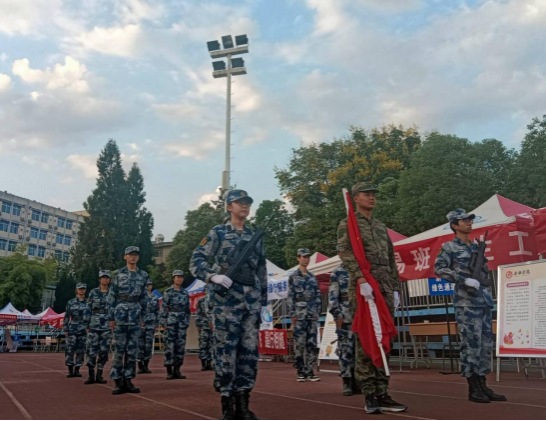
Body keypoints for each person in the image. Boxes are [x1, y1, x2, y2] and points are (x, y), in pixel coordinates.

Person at [190, 189, 267, 421]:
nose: (244, 206)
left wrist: (263, 301)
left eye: (247, 203)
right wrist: (213, 276)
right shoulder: (218, 232)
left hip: (251, 302)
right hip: (226, 303)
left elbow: (261, 268)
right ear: (229, 207)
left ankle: (243, 403)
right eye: (239, 202)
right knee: (225, 352)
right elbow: (196, 260)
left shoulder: (255, 235)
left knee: (249, 353)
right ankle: (227, 404)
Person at [338, 182, 407, 415]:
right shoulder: (348, 224)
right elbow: (345, 252)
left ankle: (382, 391)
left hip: (384, 286)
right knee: (367, 337)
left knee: (384, 336)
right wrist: (360, 279)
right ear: (355, 198)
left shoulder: (380, 226)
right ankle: (369, 393)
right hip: (364, 287)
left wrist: (395, 288)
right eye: (366, 194)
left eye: (373, 194)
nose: (371, 198)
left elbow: (390, 257)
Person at [435, 208, 507, 404]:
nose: (469, 222)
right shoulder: (449, 247)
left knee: (485, 345)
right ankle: (473, 387)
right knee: (471, 345)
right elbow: (439, 268)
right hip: (466, 304)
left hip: (483, 301)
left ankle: (483, 384)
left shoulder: (476, 247)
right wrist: (462, 279)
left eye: (470, 220)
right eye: (464, 220)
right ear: (454, 225)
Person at [108, 246, 149, 395]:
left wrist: (143, 317)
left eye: (136, 255)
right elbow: (112, 296)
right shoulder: (118, 274)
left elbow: (144, 297)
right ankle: (118, 381)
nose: (133, 257)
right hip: (120, 314)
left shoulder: (143, 275)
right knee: (119, 350)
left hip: (135, 315)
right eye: (130, 254)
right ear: (125, 256)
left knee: (132, 351)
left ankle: (128, 379)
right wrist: (111, 317)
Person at [288, 248, 321, 383]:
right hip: (299, 313)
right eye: (303, 257)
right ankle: (300, 370)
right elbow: (290, 296)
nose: (306, 259)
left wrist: (317, 311)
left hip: (311, 313)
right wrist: (292, 314)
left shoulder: (312, 276)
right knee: (300, 343)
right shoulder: (293, 276)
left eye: (307, 257)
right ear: (298, 258)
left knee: (312, 343)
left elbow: (317, 295)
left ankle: (310, 371)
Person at [329, 263, 355, 396]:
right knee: (346, 350)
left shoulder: (360, 269)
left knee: (359, 350)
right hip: (345, 317)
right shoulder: (337, 272)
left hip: (360, 316)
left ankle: (357, 380)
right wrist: (337, 315)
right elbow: (333, 297)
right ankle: (347, 381)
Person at [160, 270, 191, 381]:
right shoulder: (168, 292)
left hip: (182, 321)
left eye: (181, 277)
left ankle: (177, 369)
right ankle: (169, 370)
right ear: (173, 279)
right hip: (171, 321)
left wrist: (187, 321)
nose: (179, 279)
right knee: (170, 346)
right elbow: (164, 308)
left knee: (180, 346)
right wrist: (164, 322)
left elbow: (187, 309)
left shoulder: (185, 292)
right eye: (177, 277)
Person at [84, 271, 112, 385]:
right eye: (103, 277)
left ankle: (99, 374)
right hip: (94, 325)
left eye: (107, 278)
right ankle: (91, 375)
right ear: (99, 279)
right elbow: (88, 308)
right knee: (91, 350)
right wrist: (86, 324)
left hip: (106, 326)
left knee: (104, 351)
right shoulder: (93, 292)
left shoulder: (112, 293)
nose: (105, 280)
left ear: (109, 280)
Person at [64, 283, 88, 379]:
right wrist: (65, 329)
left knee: (81, 350)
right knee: (70, 349)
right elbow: (66, 316)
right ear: (76, 290)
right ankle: (70, 369)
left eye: (83, 289)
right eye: (80, 289)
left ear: (85, 290)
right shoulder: (71, 302)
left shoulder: (88, 302)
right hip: (72, 328)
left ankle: (77, 369)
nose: (81, 290)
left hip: (84, 329)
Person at [138, 279, 160, 375]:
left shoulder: (155, 297)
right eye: (146, 285)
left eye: (150, 285)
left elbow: (157, 311)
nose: (148, 286)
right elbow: (137, 310)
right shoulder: (140, 297)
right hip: (141, 323)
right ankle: (140, 364)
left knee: (148, 345)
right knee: (140, 345)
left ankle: (146, 365)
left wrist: (156, 324)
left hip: (151, 323)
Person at [196, 288, 214, 372]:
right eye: (206, 290)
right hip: (204, 325)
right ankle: (203, 363)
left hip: (213, 326)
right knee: (203, 344)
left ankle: (209, 363)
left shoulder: (214, 300)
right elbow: (198, 313)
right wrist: (198, 324)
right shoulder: (201, 301)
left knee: (211, 344)